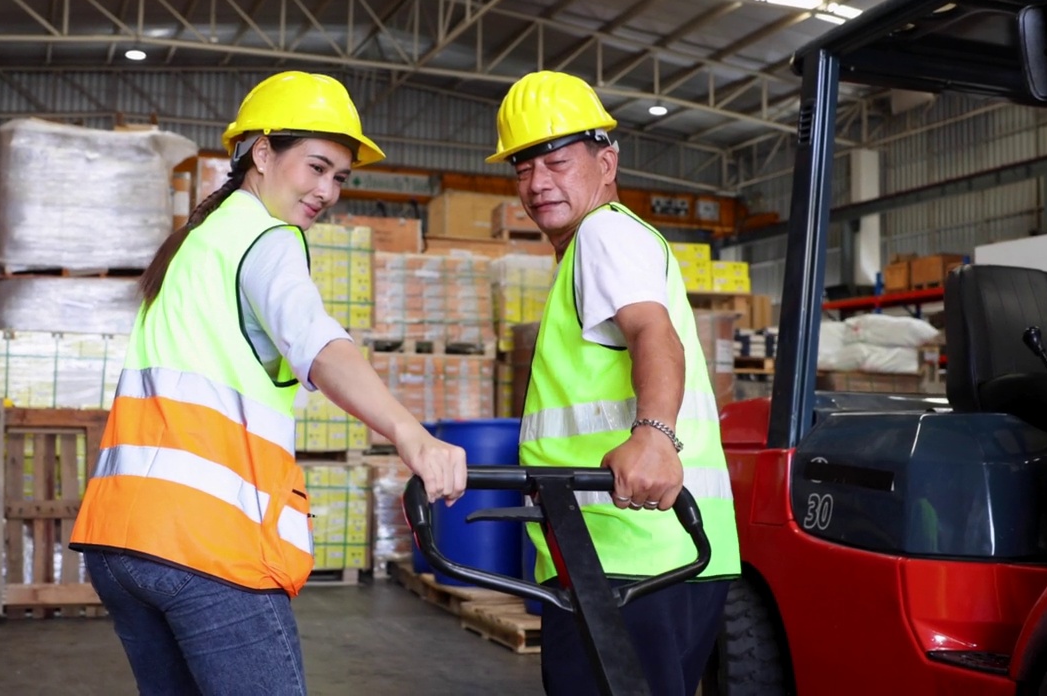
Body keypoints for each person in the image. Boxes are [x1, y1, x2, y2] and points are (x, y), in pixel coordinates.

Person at [69, 71, 467, 696]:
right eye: (315, 167)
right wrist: (411, 435)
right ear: (261, 153)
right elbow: (319, 343)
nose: (327, 190)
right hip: (204, 544)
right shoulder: (268, 237)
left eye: (339, 176)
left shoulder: (199, 244)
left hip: (120, 543)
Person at [487, 70, 742, 696]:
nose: (538, 182)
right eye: (523, 168)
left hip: (629, 557)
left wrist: (654, 436)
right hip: (642, 552)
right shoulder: (599, 245)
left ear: (607, 160)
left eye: (556, 161)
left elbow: (653, 332)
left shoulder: (604, 234)